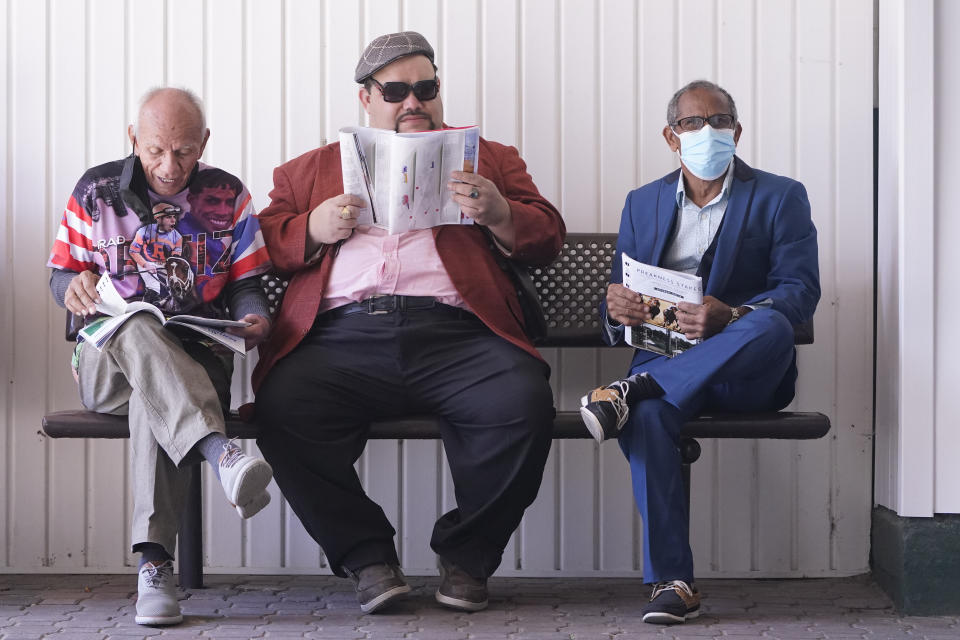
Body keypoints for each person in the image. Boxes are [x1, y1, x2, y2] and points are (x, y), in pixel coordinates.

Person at [252, 31, 565, 614]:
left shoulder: (489, 158)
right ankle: (367, 558)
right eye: (395, 90)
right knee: (282, 405)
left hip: (461, 336)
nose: (413, 102)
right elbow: (263, 243)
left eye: (426, 88)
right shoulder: (307, 171)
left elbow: (546, 235)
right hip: (342, 338)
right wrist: (311, 229)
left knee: (523, 400)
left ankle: (467, 557)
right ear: (366, 99)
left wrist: (500, 213)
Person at [579, 80, 820, 625]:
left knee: (773, 325)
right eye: (692, 123)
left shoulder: (780, 195)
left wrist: (729, 315)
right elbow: (620, 294)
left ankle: (632, 390)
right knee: (646, 413)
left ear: (737, 131)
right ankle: (674, 582)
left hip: (745, 370)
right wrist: (616, 310)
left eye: (719, 121)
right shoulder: (642, 202)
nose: (707, 131)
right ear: (671, 136)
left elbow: (801, 292)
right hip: (662, 358)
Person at [46, 87, 275, 627]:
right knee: (139, 318)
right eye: (155, 151)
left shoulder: (228, 196)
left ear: (204, 144)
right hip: (106, 363)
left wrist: (255, 318)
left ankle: (154, 571)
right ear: (133, 139)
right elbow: (61, 272)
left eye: (185, 150)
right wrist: (71, 286)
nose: (170, 166)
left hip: (197, 361)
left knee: (159, 399)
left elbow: (250, 283)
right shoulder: (95, 191)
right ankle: (220, 452)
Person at [129, 202, 184, 304]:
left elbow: (176, 257)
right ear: (158, 218)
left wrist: (171, 268)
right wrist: (146, 265)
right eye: (168, 217)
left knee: (174, 289)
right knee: (153, 288)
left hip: (165, 264)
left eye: (174, 217)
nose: (173, 220)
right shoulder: (143, 232)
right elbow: (133, 251)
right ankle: (148, 304)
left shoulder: (177, 237)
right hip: (147, 262)